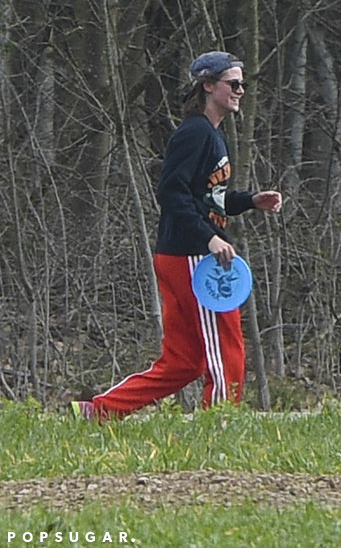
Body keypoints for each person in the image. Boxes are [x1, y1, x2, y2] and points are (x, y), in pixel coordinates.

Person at [71, 51, 282, 420]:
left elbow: (208, 198)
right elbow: (171, 192)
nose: (240, 91)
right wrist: (209, 238)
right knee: (226, 345)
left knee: (184, 361)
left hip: (184, 254)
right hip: (193, 257)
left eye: (242, 84)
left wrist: (249, 201)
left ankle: (98, 412)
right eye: (233, 84)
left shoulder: (212, 135)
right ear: (208, 85)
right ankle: (220, 426)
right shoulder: (194, 132)